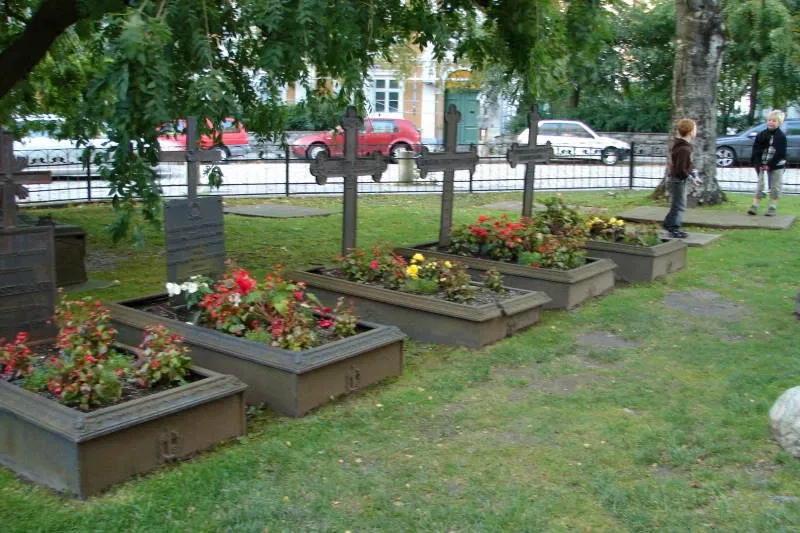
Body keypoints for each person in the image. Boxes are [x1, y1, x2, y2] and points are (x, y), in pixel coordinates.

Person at [663, 118, 701, 239]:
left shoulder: (685, 146)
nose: (696, 131)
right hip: (678, 180)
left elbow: (688, 165)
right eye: (695, 129)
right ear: (690, 131)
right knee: (679, 205)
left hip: (679, 179)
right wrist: (691, 178)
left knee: (678, 204)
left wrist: (694, 175)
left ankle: (668, 223)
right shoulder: (683, 149)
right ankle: (674, 228)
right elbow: (680, 169)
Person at [747, 110, 787, 216]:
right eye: (769, 120)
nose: (771, 122)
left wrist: (770, 165)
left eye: (774, 121)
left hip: (776, 166)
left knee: (775, 186)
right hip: (762, 165)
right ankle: (755, 206)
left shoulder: (781, 137)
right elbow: (756, 150)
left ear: (779, 123)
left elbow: (780, 153)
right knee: (760, 185)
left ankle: (772, 207)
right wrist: (758, 163)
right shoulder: (761, 135)